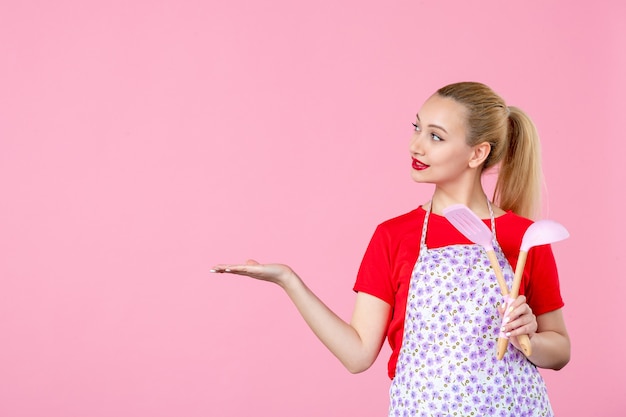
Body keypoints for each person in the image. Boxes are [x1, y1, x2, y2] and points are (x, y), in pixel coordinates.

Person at [211, 81, 570, 416]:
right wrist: (288, 280)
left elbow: (560, 350)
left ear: (477, 153)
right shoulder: (393, 235)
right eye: (416, 128)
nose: (416, 145)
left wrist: (529, 340)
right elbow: (357, 355)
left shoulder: (525, 238)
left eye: (435, 136)